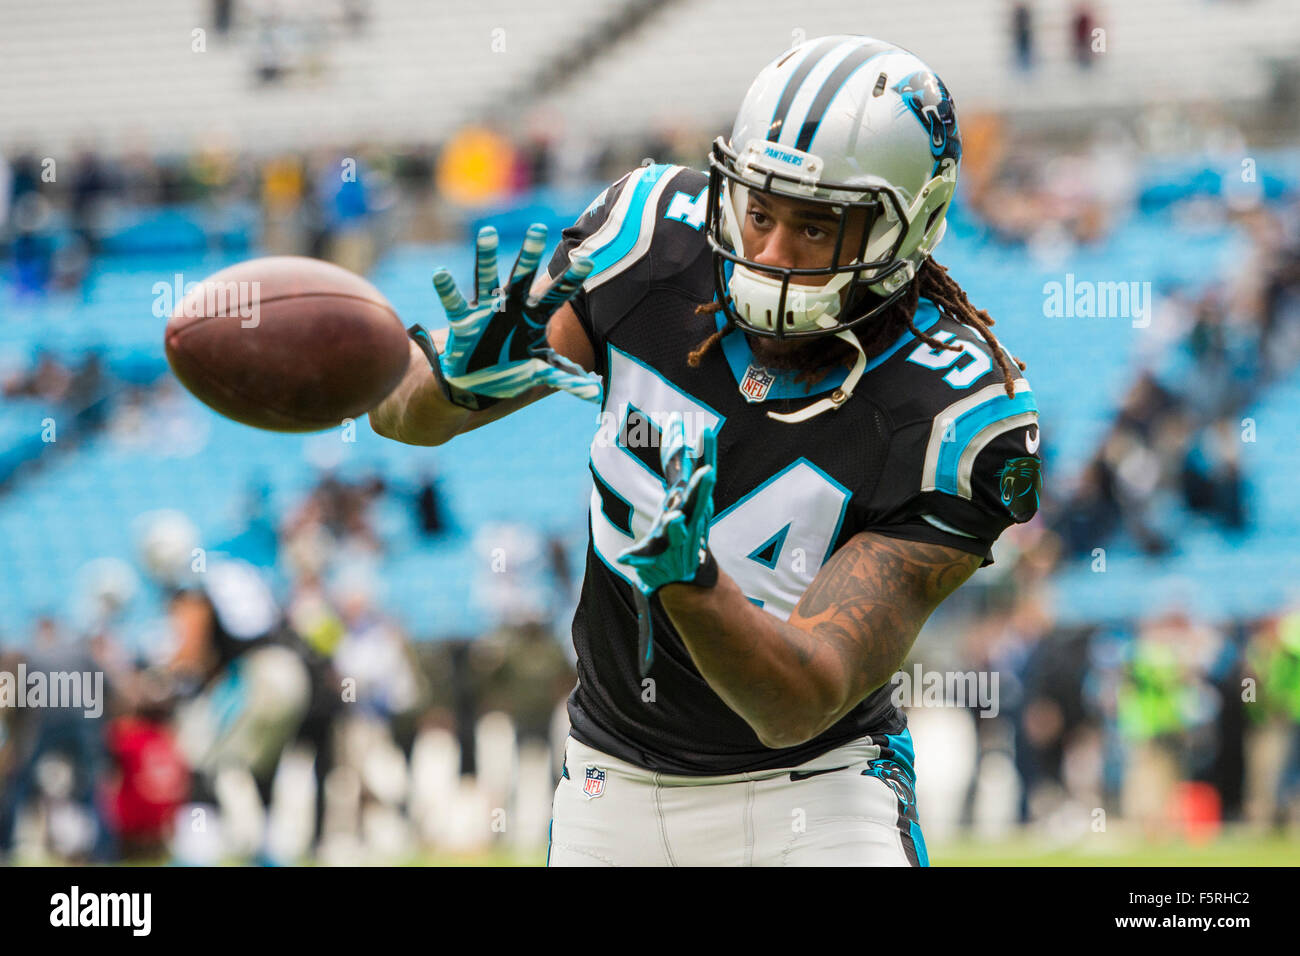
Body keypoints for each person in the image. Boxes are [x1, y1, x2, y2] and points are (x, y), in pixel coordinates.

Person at [371, 35, 1043, 866]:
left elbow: (798, 704)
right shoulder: (651, 242)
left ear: (911, 227)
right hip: (609, 787)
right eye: (760, 211)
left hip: (817, 793)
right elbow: (403, 419)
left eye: (816, 226)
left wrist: (689, 583)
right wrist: (449, 386)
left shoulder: (954, 413)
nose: (768, 251)